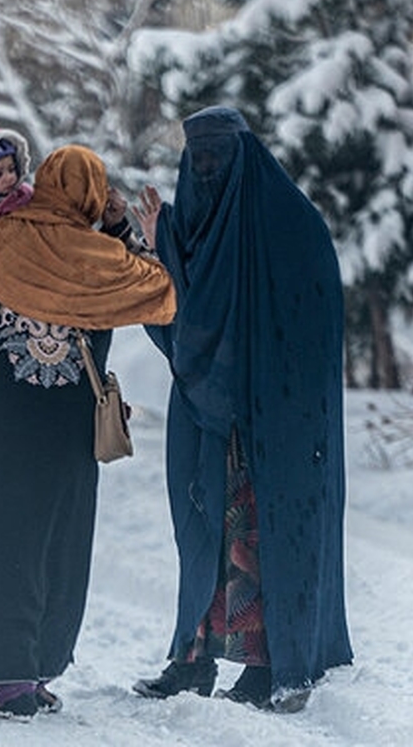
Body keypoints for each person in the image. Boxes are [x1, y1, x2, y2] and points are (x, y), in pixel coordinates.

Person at [0, 145, 178, 719]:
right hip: (63, 427)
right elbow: (162, 294)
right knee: (52, 541)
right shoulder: (105, 259)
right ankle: (31, 665)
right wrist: (119, 226)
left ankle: (8, 674)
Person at [132, 106, 352, 712]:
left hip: (273, 425)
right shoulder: (194, 229)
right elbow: (185, 326)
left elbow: (311, 324)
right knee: (202, 534)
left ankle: (268, 662)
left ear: (245, 154)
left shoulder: (291, 225)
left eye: (218, 155)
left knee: (259, 539)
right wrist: (163, 248)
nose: (207, 170)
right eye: (195, 158)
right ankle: (194, 658)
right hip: (207, 421)